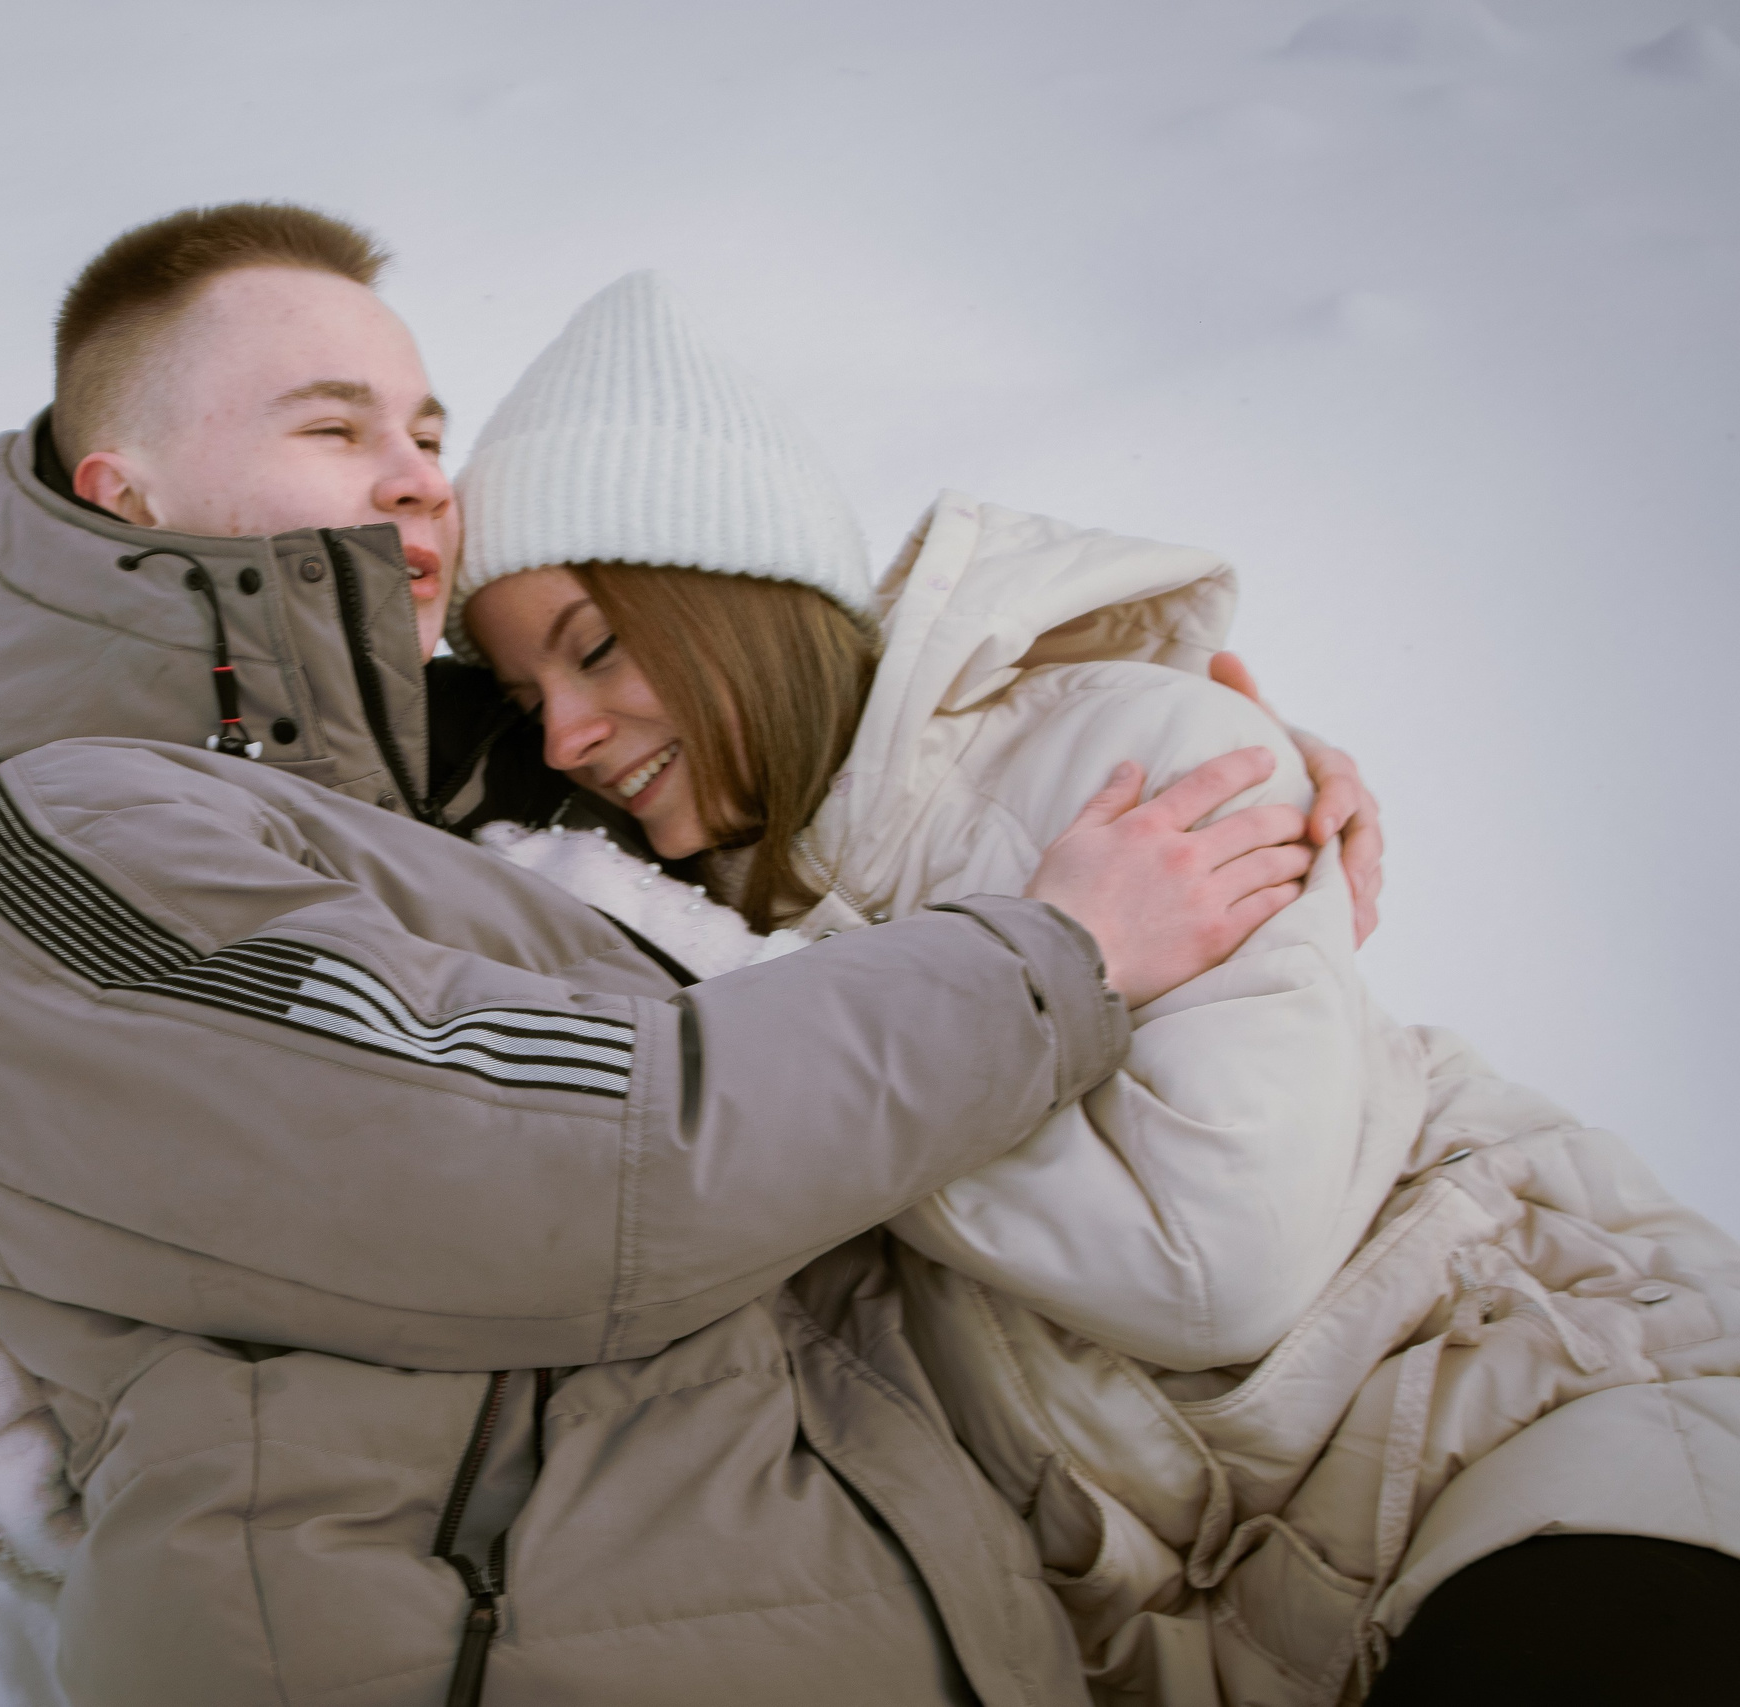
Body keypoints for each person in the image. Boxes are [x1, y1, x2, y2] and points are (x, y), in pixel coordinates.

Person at [0, 204, 1381, 1705]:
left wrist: (1199, 749)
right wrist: (1062, 953)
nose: (415, 478)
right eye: (332, 425)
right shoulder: (54, 831)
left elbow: (793, 728)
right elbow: (568, 1156)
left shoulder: (443, 785)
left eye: (428, 432)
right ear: (131, 495)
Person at [455, 271, 1740, 1706]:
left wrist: (793, 1021)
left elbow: (1214, 1274)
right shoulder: (687, 925)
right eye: (524, 700)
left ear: (733, 595)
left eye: (599, 645)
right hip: (1226, 1600)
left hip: (1509, 1412)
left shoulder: (1134, 758)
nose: (566, 734)